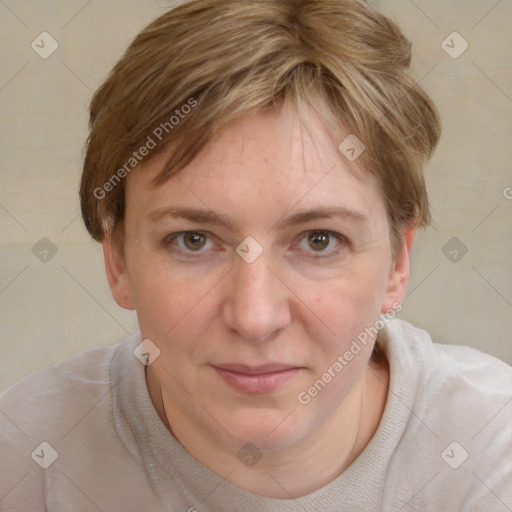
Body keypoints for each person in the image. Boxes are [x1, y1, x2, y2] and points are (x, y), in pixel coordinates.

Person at [1, 0, 511, 510]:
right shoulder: (27, 456)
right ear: (118, 259)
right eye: (193, 240)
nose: (254, 318)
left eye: (319, 240)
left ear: (399, 262)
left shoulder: (491, 453)